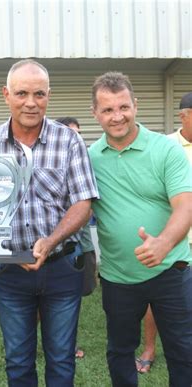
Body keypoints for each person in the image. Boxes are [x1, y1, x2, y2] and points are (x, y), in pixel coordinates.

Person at [0, 59, 99, 386]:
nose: (30, 102)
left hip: (61, 266)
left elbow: (83, 202)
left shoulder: (68, 141)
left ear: (48, 95)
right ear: (6, 94)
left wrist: (51, 240)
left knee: (62, 359)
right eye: (22, 93)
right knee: (18, 361)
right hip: (10, 272)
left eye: (39, 94)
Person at [89, 72, 192, 387]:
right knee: (119, 351)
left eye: (123, 107)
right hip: (118, 278)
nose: (117, 116)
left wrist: (164, 242)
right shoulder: (89, 158)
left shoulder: (166, 150)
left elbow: (186, 205)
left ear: (135, 104)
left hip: (171, 270)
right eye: (107, 110)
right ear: (96, 113)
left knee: (183, 352)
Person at [135, 91, 192, 374]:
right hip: (170, 239)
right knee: (156, 301)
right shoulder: (165, 145)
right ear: (184, 115)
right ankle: (149, 348)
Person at [56, 117, 98, 360]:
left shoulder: (86, 162)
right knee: (56, 299)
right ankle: (64, 344)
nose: (76, 138)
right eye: (71, 133)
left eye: (79, 133)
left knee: (77, 296)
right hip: (58, 249)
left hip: (83, 244)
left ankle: (66, 340)